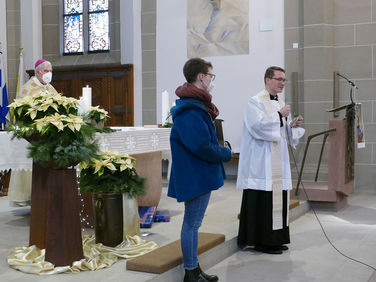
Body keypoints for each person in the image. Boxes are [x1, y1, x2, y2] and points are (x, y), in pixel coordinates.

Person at [168, 58, 232, 281]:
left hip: (198, 173)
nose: (212, 80)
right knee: (191, 224)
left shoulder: (195, 105)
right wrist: (225, 153)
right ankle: (190, 272)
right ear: (201, 77)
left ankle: (194, 269)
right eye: (211, 76)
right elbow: (200, 146)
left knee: (194, 224)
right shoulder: (190, 110)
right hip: (195, 175)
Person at [236, 66, 305, 255]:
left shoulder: (280, 102)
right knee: (263, 201)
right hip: (262, 162)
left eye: (284, 80)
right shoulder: (255, 101)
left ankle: (276, 239)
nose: (282, 83)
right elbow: (257, 128)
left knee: (278, 199)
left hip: (277, 161)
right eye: (279, 79)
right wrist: (279, 116)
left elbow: (281, 131)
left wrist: (291, 125)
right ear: (268, 80)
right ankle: (261, 241)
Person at [8, 59, 57, 206]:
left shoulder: (50, 88)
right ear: (38, 72)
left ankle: (45, 196)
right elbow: (22, 111)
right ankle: (29, 196)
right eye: (46, 71)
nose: (49, 74)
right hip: (32, 136)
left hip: (49, 133)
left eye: (51, 71)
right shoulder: (28, 88)